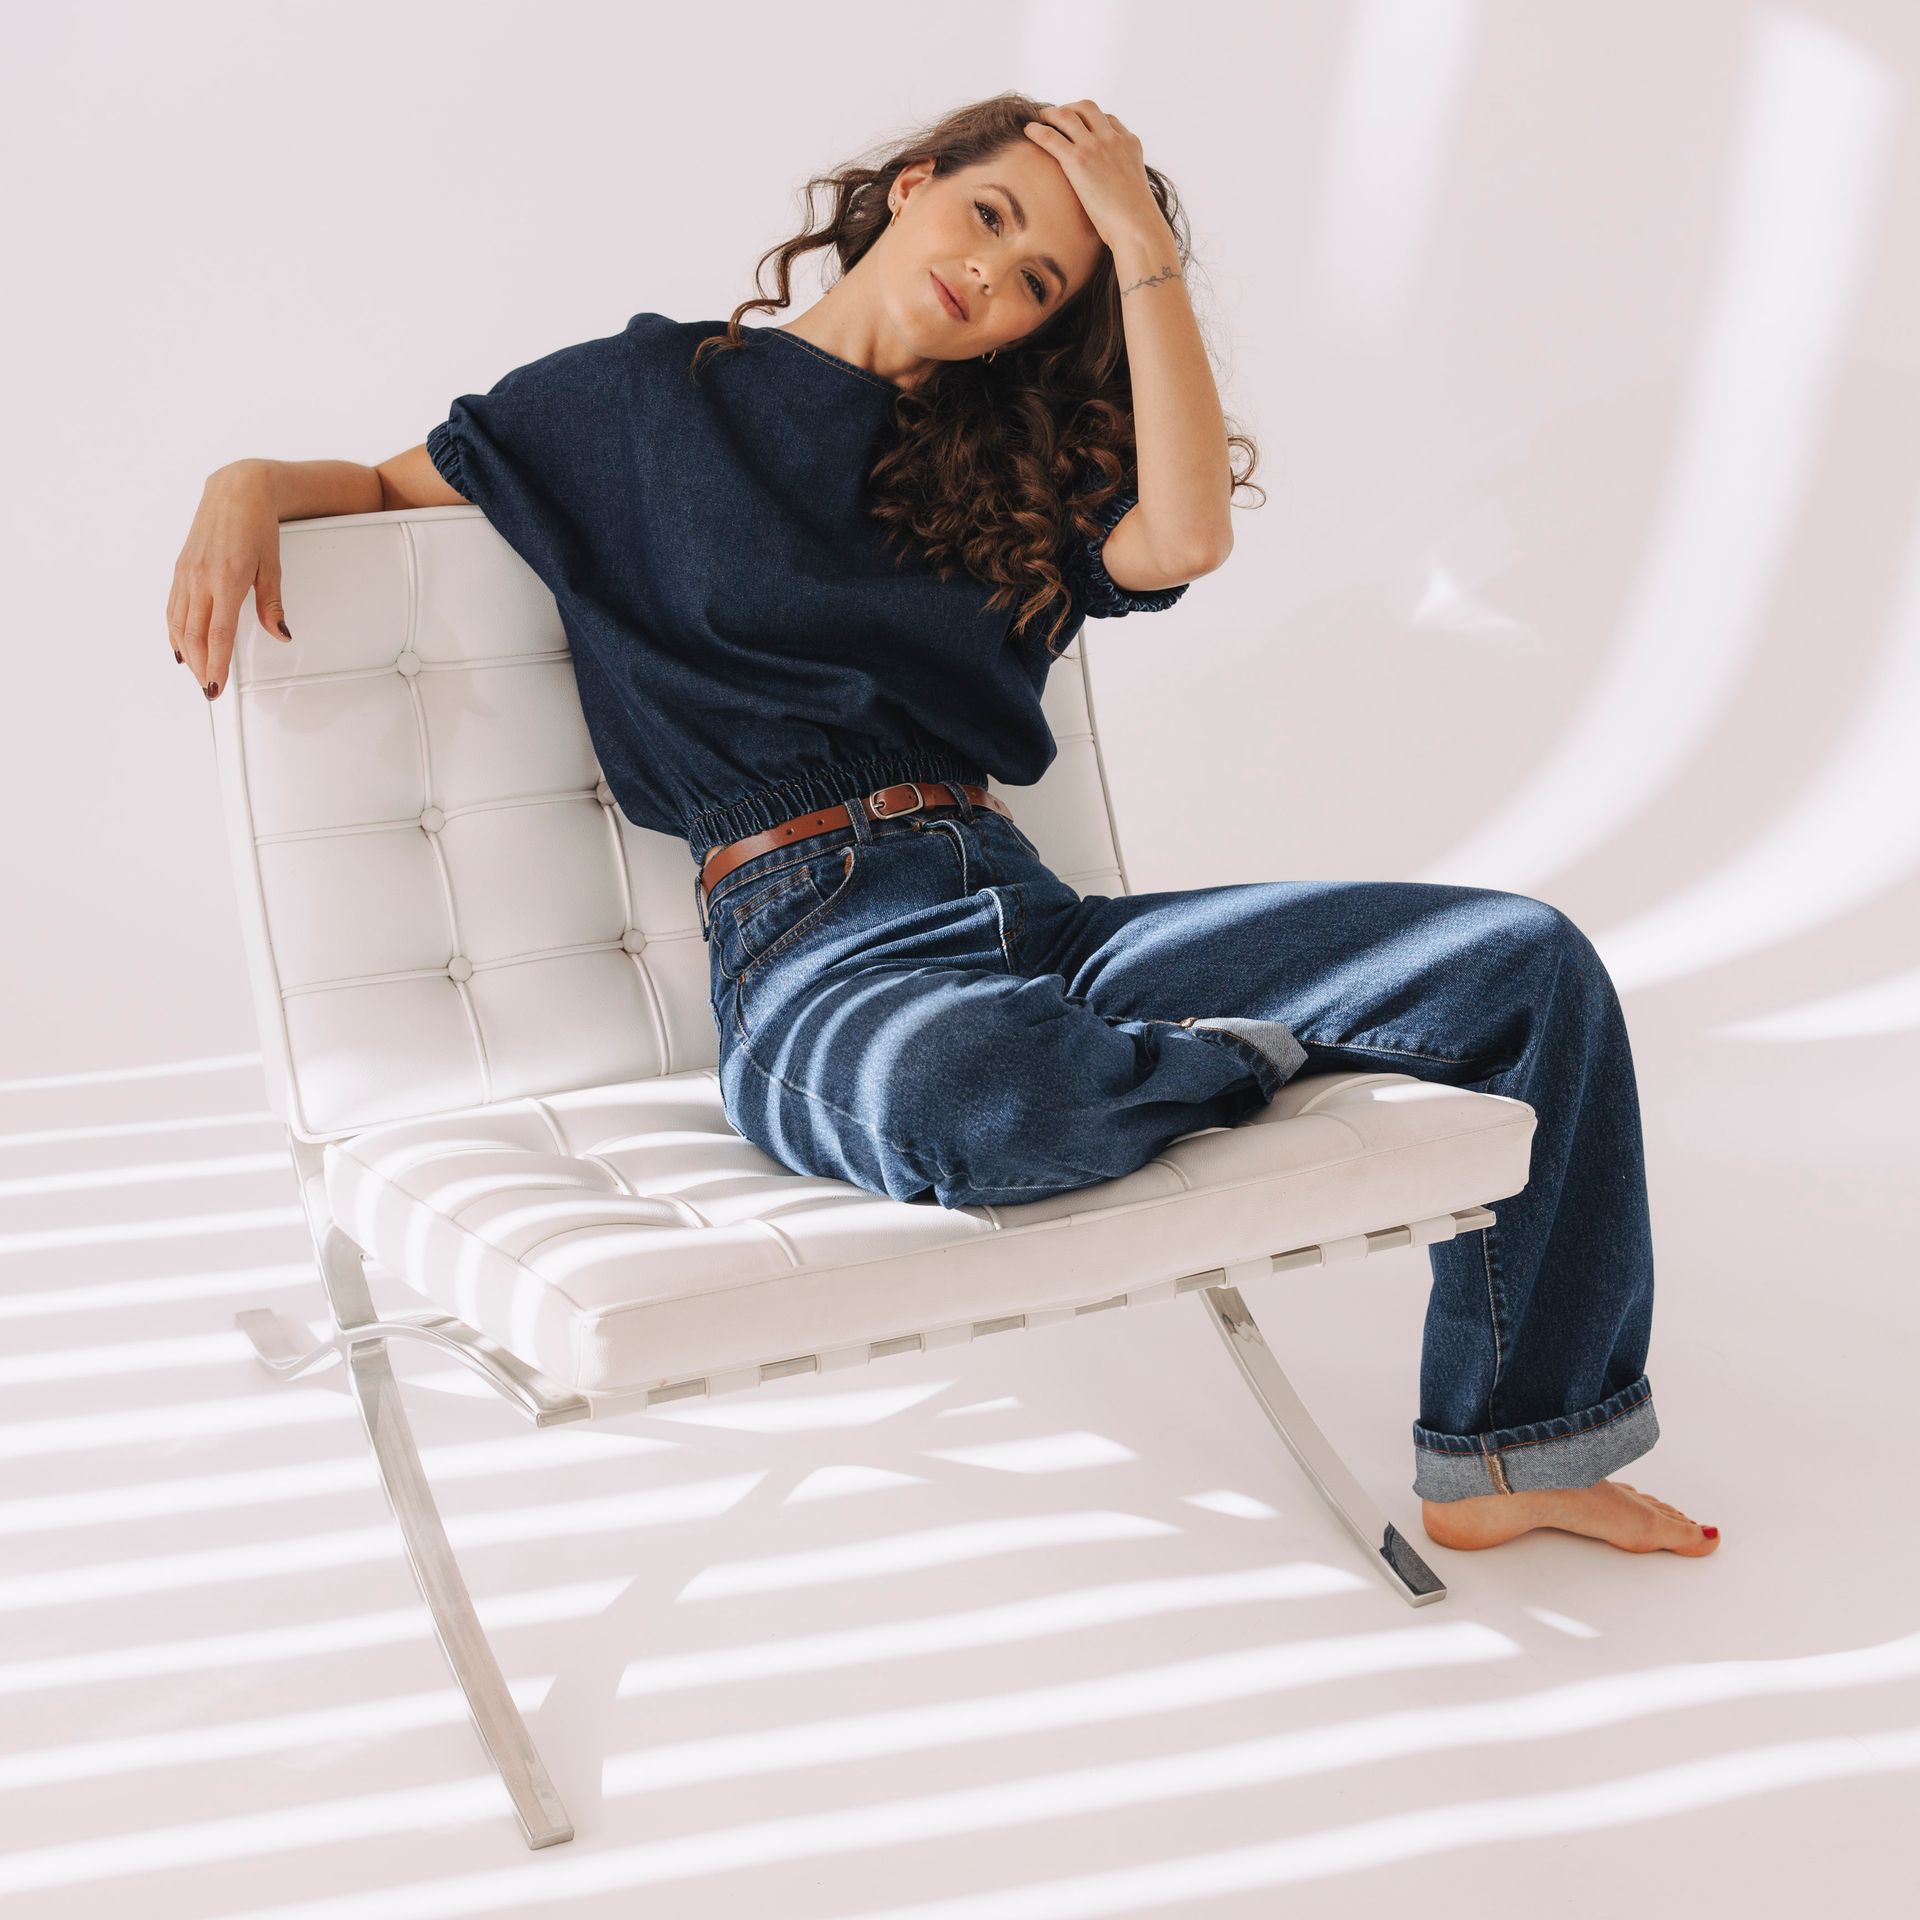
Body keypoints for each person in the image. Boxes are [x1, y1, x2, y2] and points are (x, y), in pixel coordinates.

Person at [165, 95, 1717, 1562]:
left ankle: (1516, 1456)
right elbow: (383, 483)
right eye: (989, 216)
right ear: (911, 190)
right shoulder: (642, 399)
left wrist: (1142, 245)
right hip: (811, 954)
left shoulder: (1009, 473)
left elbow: (1186, 532)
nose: (995, 272)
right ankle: (1240, 1054)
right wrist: (246, 479)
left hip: (1033, 917)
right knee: (978, 1100)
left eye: (1042, 278)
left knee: (1524, 960)